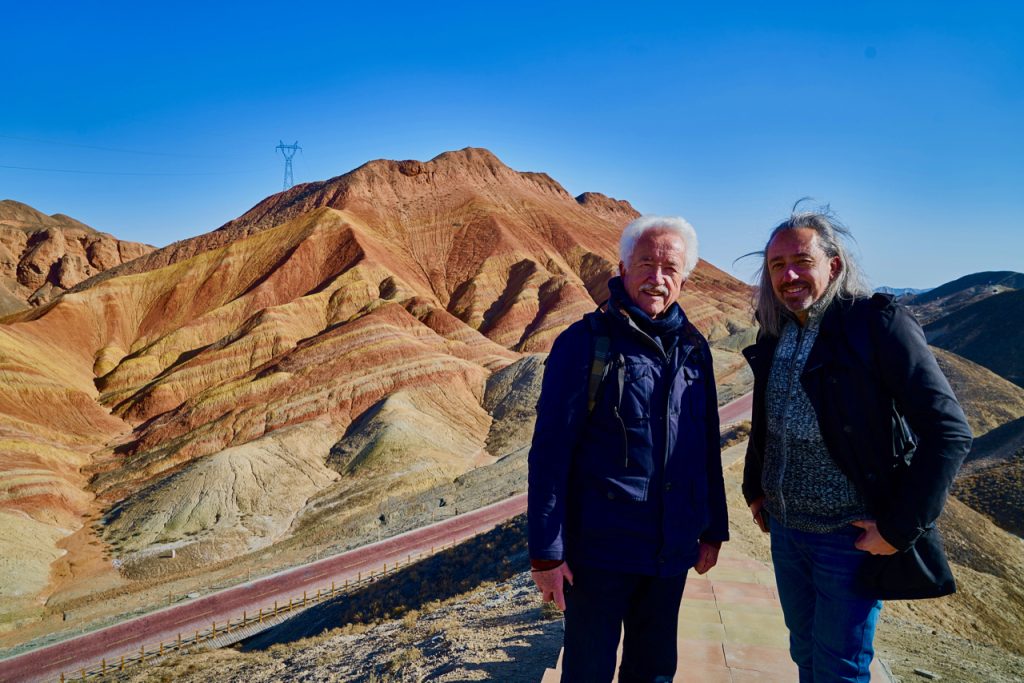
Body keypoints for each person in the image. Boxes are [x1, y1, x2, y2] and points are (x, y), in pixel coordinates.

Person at [742, 205, 972, 682]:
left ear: (834, 265)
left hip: (849, 537)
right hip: (787, 530)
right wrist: (755, 488)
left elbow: (948, 432)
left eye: (802, 261)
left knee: (840, 668)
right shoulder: (777, 330)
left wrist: (898, 527)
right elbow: (768, 420)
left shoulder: (876, 326)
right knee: (805, 652)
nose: (789, 275)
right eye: (777, 266)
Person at [528, 215, 729, 682]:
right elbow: (550, 453)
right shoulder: (584, 343)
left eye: (669, 269)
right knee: (588, 670)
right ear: (622, 267)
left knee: (655, 670)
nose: (656, 279)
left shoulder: (695, 349)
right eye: (646, 264)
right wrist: (546, 554)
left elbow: (705, 446)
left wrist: (712, 527)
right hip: (599, 554)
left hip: (670, 551)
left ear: (685, 278)